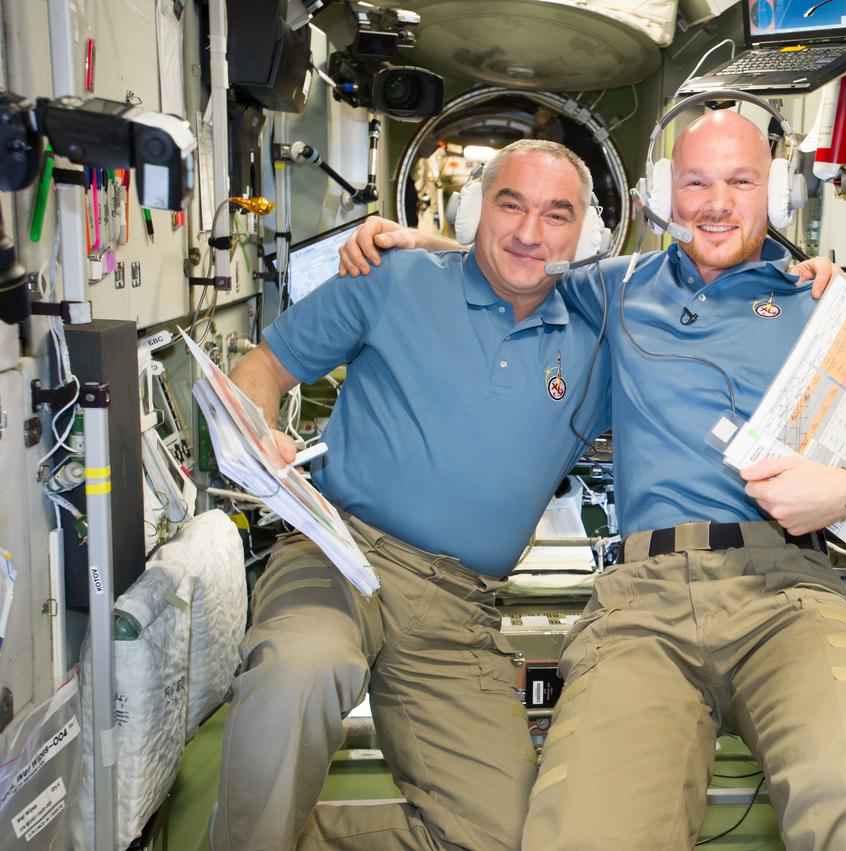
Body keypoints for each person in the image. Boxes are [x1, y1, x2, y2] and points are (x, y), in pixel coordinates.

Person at [340, 110, 846, 849]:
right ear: (663, 195)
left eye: (739, 181)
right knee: (584, 832)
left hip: (790, 593)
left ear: (771, 191)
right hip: (641, 605)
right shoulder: (617, 287)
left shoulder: (826, 305)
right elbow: (513, 257)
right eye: (696, 182)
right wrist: (418, 245)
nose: (716, 202)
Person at [215, 139, 614, 851]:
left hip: (457, 603)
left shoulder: (598, 341)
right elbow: (266, 365)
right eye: (510, 203)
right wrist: (257, 431)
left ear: (587, 235)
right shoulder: (393, 279)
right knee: (302, 671)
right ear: (474, 209)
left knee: (500, 836)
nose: (529, 231)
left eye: (557, 214)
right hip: (339, 552)